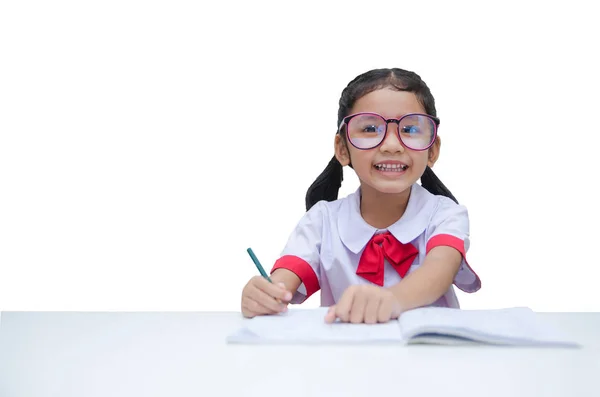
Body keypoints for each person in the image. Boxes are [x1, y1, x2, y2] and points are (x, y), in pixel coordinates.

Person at [241, 68, 481, 324]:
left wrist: (392, 300)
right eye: (370, 129)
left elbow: (440, 270)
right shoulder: (321, 221)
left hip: (430, 357)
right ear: (342, 149)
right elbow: (282, 281)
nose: (392, 145)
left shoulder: (446, 215)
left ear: (432, 150)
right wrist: (263, 294)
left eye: (410, 129)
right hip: (346, 361)